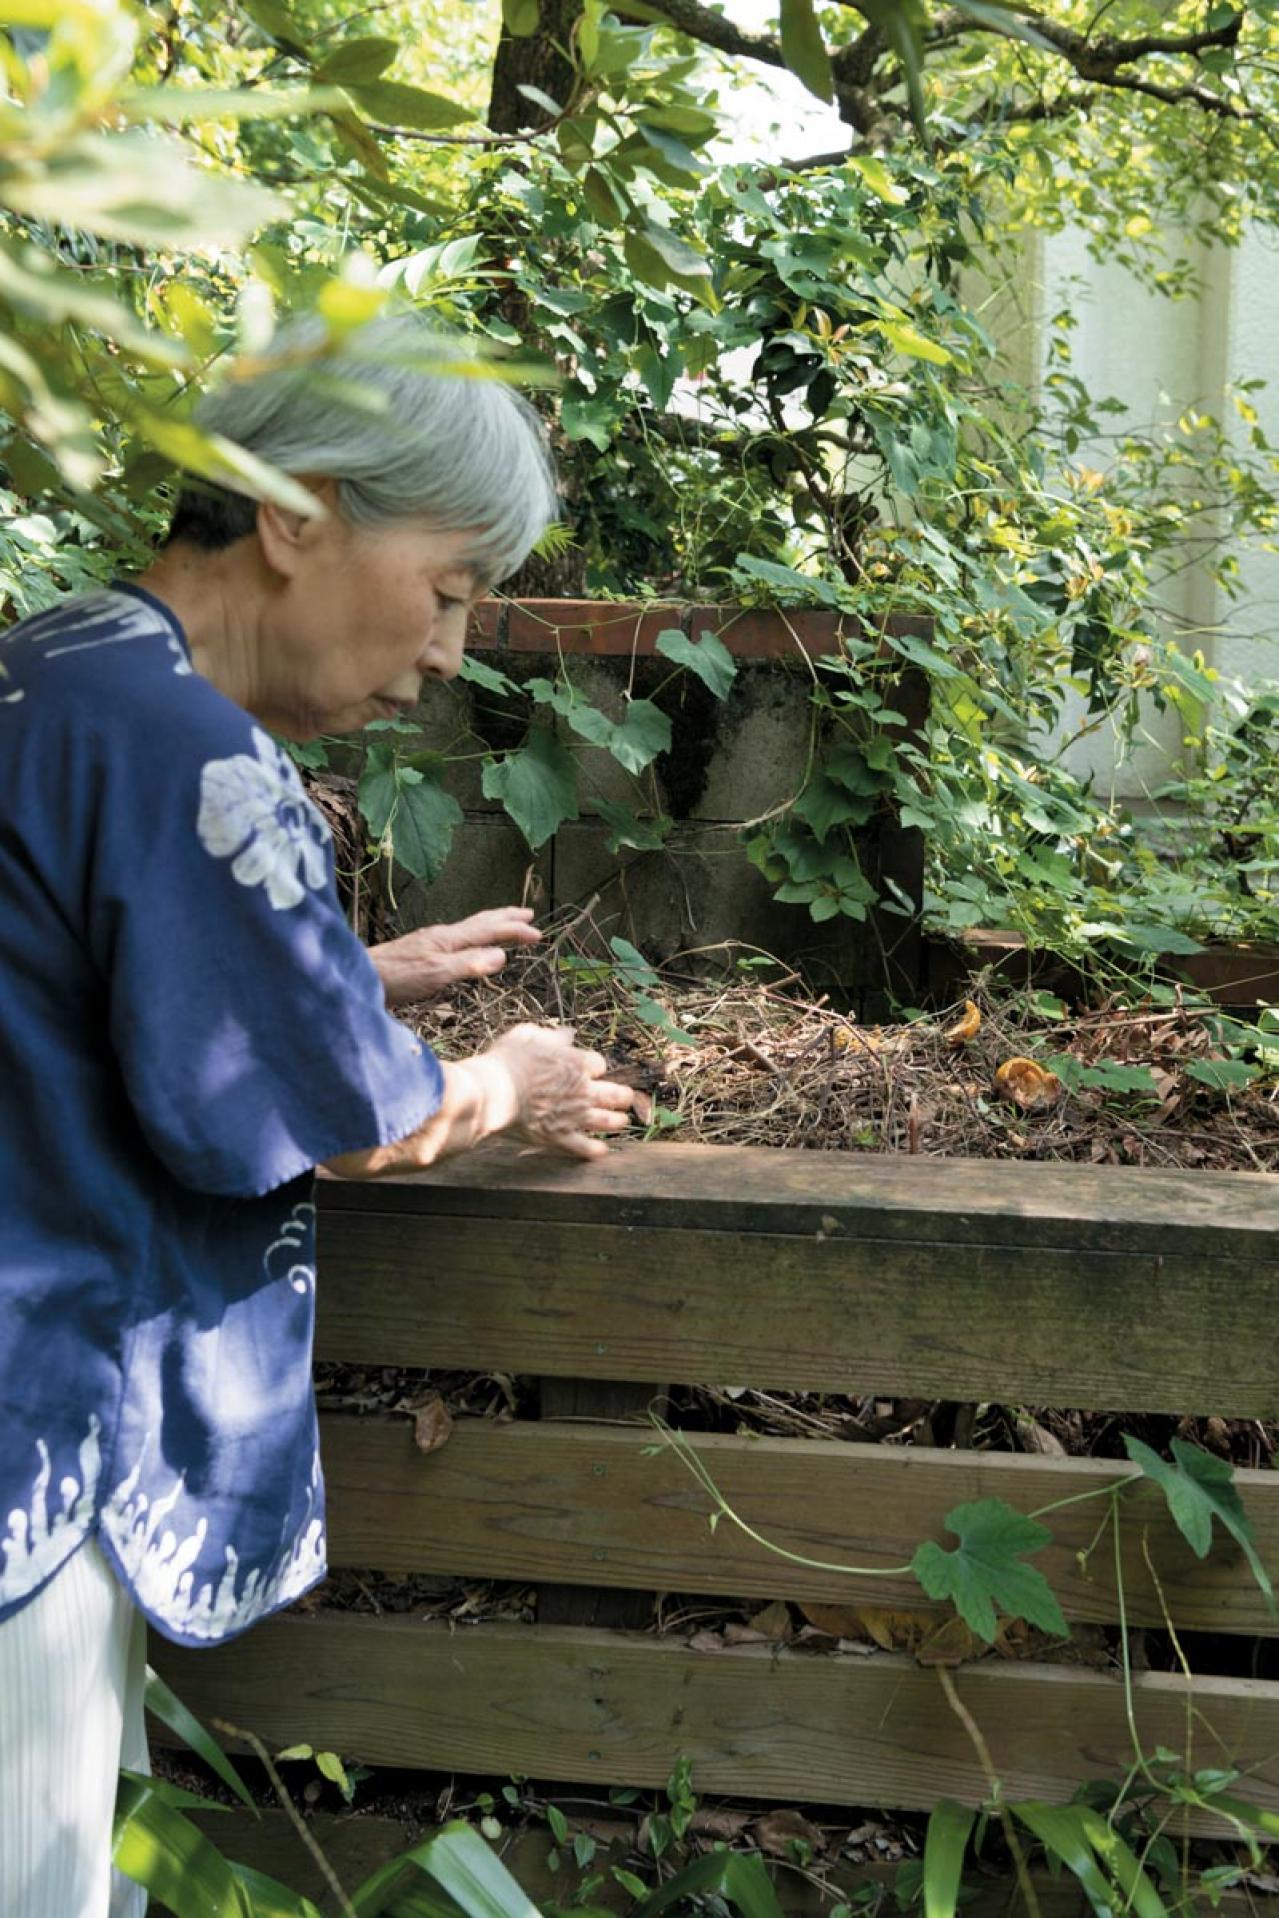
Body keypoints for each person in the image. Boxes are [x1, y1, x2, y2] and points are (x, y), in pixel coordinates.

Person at [0, 312, 637, 1915]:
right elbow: (356, 1121)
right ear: (297, 515)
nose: (449, 653)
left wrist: (341, 970)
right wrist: (510, 1084)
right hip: (36, 1444)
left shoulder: (58, 665)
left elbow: (72, 991)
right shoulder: (195, 751)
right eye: (449, 589)